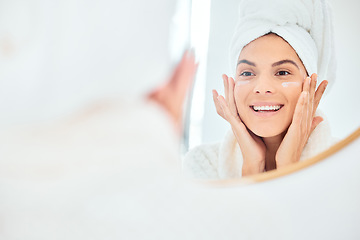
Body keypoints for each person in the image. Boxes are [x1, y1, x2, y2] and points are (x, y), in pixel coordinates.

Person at [183, 0, 337, 179]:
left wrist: (289, 168)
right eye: (247, 73)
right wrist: (251, 169)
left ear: (311, 87)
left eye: (282, 72)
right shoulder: (202, 165)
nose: (262, 88)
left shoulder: (346, 168)